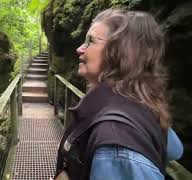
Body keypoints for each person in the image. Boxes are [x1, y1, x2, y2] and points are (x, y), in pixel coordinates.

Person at [54, 9, 183, 180]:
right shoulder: (141, 104)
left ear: (120, 53)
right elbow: (175, 149)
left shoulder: (116, 148)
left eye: (90, 41)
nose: (79, 49)